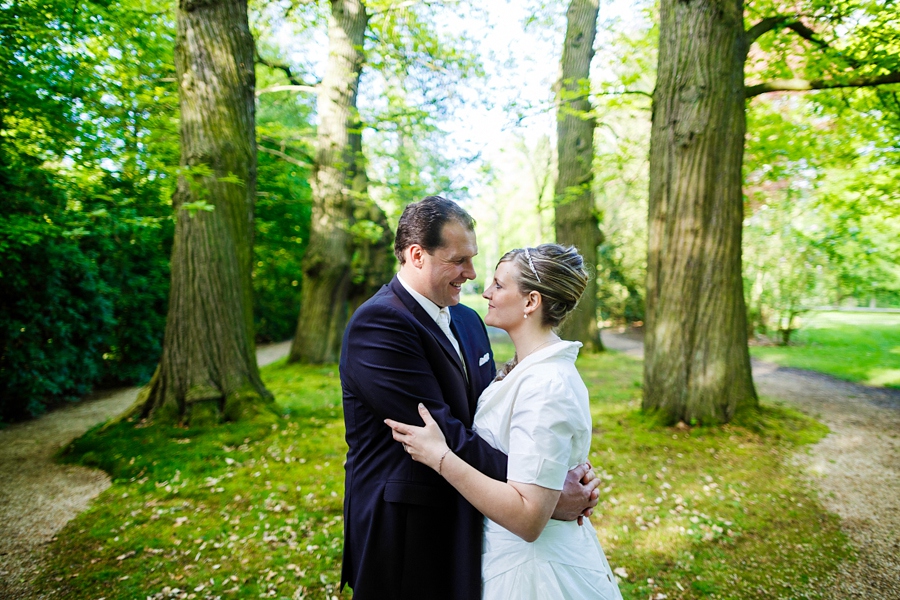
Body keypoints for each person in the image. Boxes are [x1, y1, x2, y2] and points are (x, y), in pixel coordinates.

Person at [339, 197, 600, 600]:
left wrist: (539, 484)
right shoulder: (379, 323)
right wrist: (543, 491)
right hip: (407, 527)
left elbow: (487, 415)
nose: (472, 274)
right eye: (459, 260)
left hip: (474, 516)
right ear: (417, 255)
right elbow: (440, 430)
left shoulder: (468, 319)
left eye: (473, 259)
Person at [386, 244, 623, 600]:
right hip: (503, 556)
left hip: (534, 573)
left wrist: (440, 457)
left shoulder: (546, 384)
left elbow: (528, 519)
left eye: (499, 285)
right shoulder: (527, 369)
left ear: (531, 301)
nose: (486, 292)